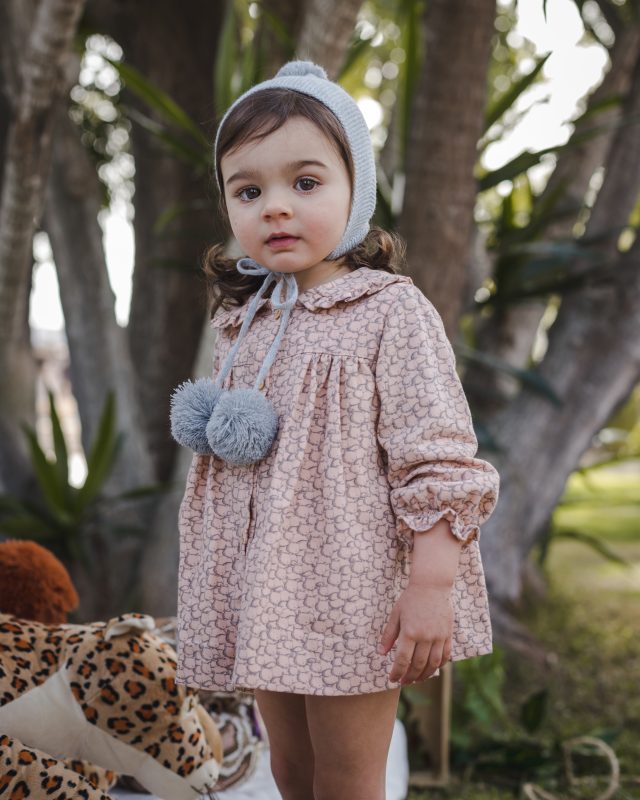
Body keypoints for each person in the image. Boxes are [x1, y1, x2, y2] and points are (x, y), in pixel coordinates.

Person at [171, 60, 500, 800]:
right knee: (291, 771)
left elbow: (439, 459)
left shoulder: (390, 312)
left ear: (357, 191)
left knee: (348, 778)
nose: (275, 208)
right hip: (266, 589)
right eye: (248, 191)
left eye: (306, 183)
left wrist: (432, 586)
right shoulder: (243, 322)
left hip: (352, 592)